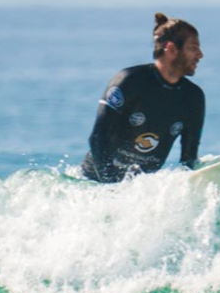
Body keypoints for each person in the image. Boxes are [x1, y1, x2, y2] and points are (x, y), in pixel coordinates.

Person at [81, 13, 205, 183]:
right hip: (94, 182)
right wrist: (110, 185)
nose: (200, 55)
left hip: (140, 190)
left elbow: (188, 158)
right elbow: (98, 137)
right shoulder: (129, 81)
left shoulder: (193, 97)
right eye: (193, 48)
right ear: (172, 49)